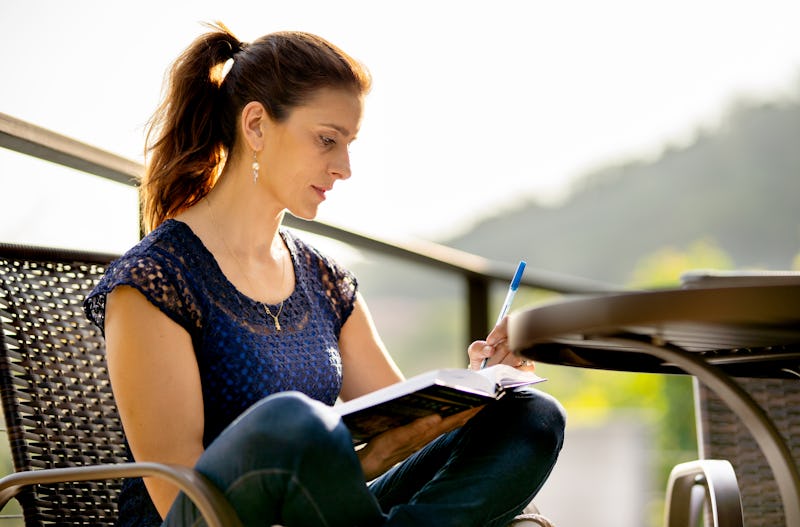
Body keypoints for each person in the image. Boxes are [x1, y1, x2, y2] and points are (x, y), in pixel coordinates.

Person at [84, 22, 566, 527]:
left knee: (531, 416)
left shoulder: (324, 279)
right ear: (256, 127)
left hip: (326, 514)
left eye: (349, 142)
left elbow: (408, 423)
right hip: (210, 520)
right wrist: (358, 458)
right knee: (293, 422)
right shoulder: (154, 281)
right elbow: (177, 497)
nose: (345, 167)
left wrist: (478, 385)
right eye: (327, 140)